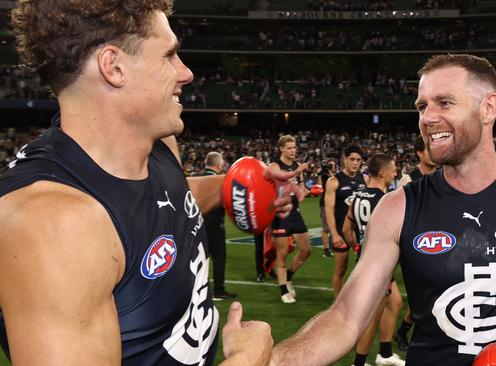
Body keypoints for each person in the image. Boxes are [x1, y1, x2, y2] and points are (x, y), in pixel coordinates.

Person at [0, 1, 296, 364]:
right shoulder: (53, 225)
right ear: (114, 67)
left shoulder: (154, 144)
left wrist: (240, 185)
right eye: (169, 55)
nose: (185, 73)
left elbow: (165, 201)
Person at [271, 54, 496, 366]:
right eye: (422, 106)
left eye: (444, 103)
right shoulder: (397, 207)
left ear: (488, 108)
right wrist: (270, 361)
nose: (428, 118)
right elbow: (345, 318)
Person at [342, 153, 404, 366]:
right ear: (382, 173)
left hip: (367, 261)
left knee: (395, 302)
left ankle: (385, 353)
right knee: (373, 317)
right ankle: (359, 363)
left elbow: (346, 229)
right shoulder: (385, 200)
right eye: (393, 169)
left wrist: (357, 248)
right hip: (378, 267)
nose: (395, 173)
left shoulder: (358, 196)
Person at [394, 136, 437, 351]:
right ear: (419, 153)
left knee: (433, 290)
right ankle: (407, 330)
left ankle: (404, 329)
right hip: (416, 244)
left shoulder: (443, 176)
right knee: (425, 292)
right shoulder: (408, 180)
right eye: (429, 149)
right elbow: (399, 215)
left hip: (440, 242)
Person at [269, 135, 312, 304]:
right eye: (289, 148)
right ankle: (283, 290)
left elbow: (301, 191)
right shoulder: (275, 166)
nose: (293, 151)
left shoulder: (296, 166)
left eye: (294, 147)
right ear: (281, 149)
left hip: (295, 213)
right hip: (280, 214)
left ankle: (288, 276)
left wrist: (312, 190)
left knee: (306, 249)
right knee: (283, 252)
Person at [325, 144, 368, 297]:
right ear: (345, 160)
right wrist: (334, 234)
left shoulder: (365, 179)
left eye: (358, 160)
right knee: (341, 268)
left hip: (360, 232)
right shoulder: (334, 181)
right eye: (352, 159)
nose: (355, 163)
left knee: (362, 268)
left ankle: (359, 298)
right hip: (341, 231)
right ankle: (338, 303)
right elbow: (329, 210)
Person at [203, 151, 237, 300]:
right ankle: (219, 290)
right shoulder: (218, 179)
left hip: (198, 224)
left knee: (201, 260)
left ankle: (199, 291)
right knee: (219, 258)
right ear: (218, 164)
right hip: (214, 224)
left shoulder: (199, 177)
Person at [318, 158, 338, 258]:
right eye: (330, 165)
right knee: (326, 228)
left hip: (335, 203)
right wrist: (324, 171)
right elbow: (320, 185)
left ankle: (332, 246)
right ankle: (326, 250)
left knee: (334, 227)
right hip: (325, 203)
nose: (331, 167)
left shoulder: (336, 175)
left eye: (332, 165)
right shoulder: (324, 175)